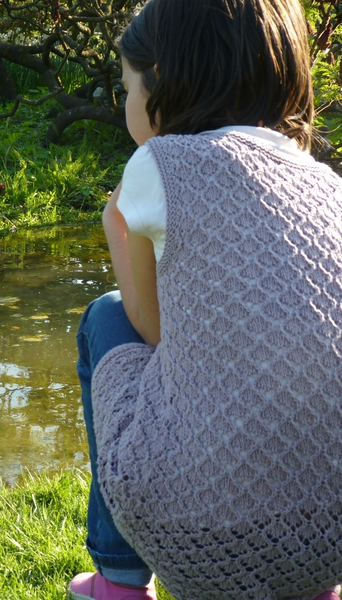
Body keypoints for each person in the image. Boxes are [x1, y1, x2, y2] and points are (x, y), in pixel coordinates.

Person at [68, 0, 342, 599]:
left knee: (107, 314)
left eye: (126, 87)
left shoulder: (160, 162)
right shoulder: (325, 182)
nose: (125, 106)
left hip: (200, 533)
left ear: (162, 78)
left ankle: (117, 579)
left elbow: (151, 327)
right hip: (331, 540)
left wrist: (117, 222)